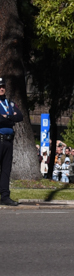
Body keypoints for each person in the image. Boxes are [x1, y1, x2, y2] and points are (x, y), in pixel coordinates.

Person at [0, 76, 17, 206]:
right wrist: (10, 119)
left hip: (8, 141)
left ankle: (5, 196)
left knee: (6, 170)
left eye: (3, 86)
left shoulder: (8, 102)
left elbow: (20, 116)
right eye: (0, 87)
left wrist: (7, 117)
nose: (2, 88)